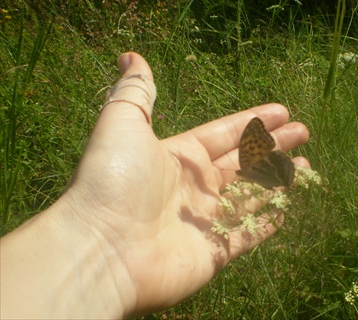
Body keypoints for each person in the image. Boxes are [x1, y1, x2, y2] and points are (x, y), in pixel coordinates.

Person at [0, 52, 310, 319]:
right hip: (274, 171)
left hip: (274, 170)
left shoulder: (247, 166)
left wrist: (93, 242)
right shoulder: (244, 167)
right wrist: (94, 231)